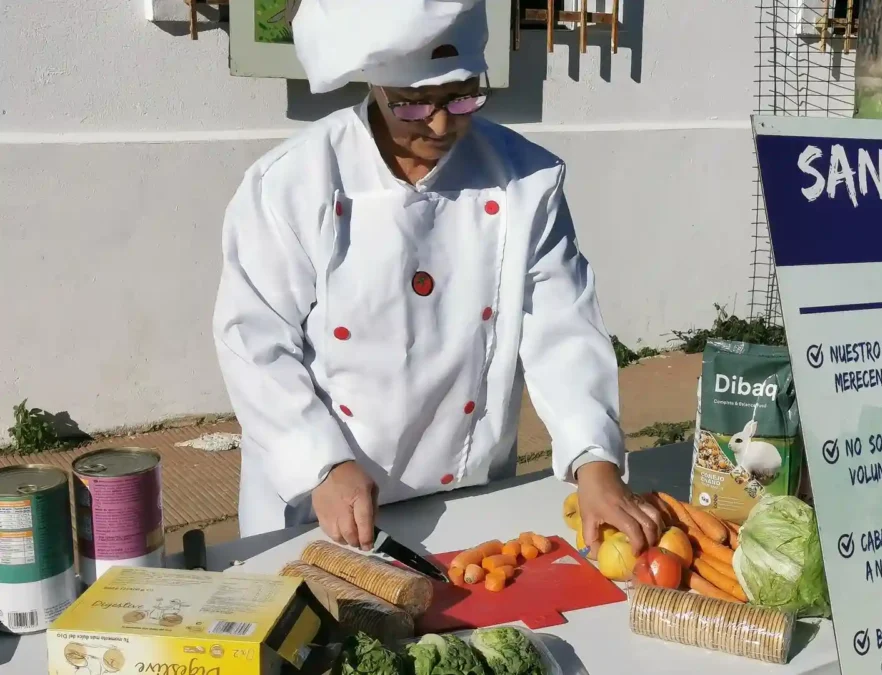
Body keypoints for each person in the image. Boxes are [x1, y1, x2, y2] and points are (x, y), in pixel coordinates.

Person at [212, 0, 663, 555]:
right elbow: (254, 340)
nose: (442, 123)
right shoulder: (293, 183)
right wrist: (320, 464)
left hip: (465, 496)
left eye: (462, 95)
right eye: (414, 105)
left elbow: (561, 329)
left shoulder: (524, 179)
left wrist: (594, 458)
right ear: (377, 88)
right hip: (319, 500)